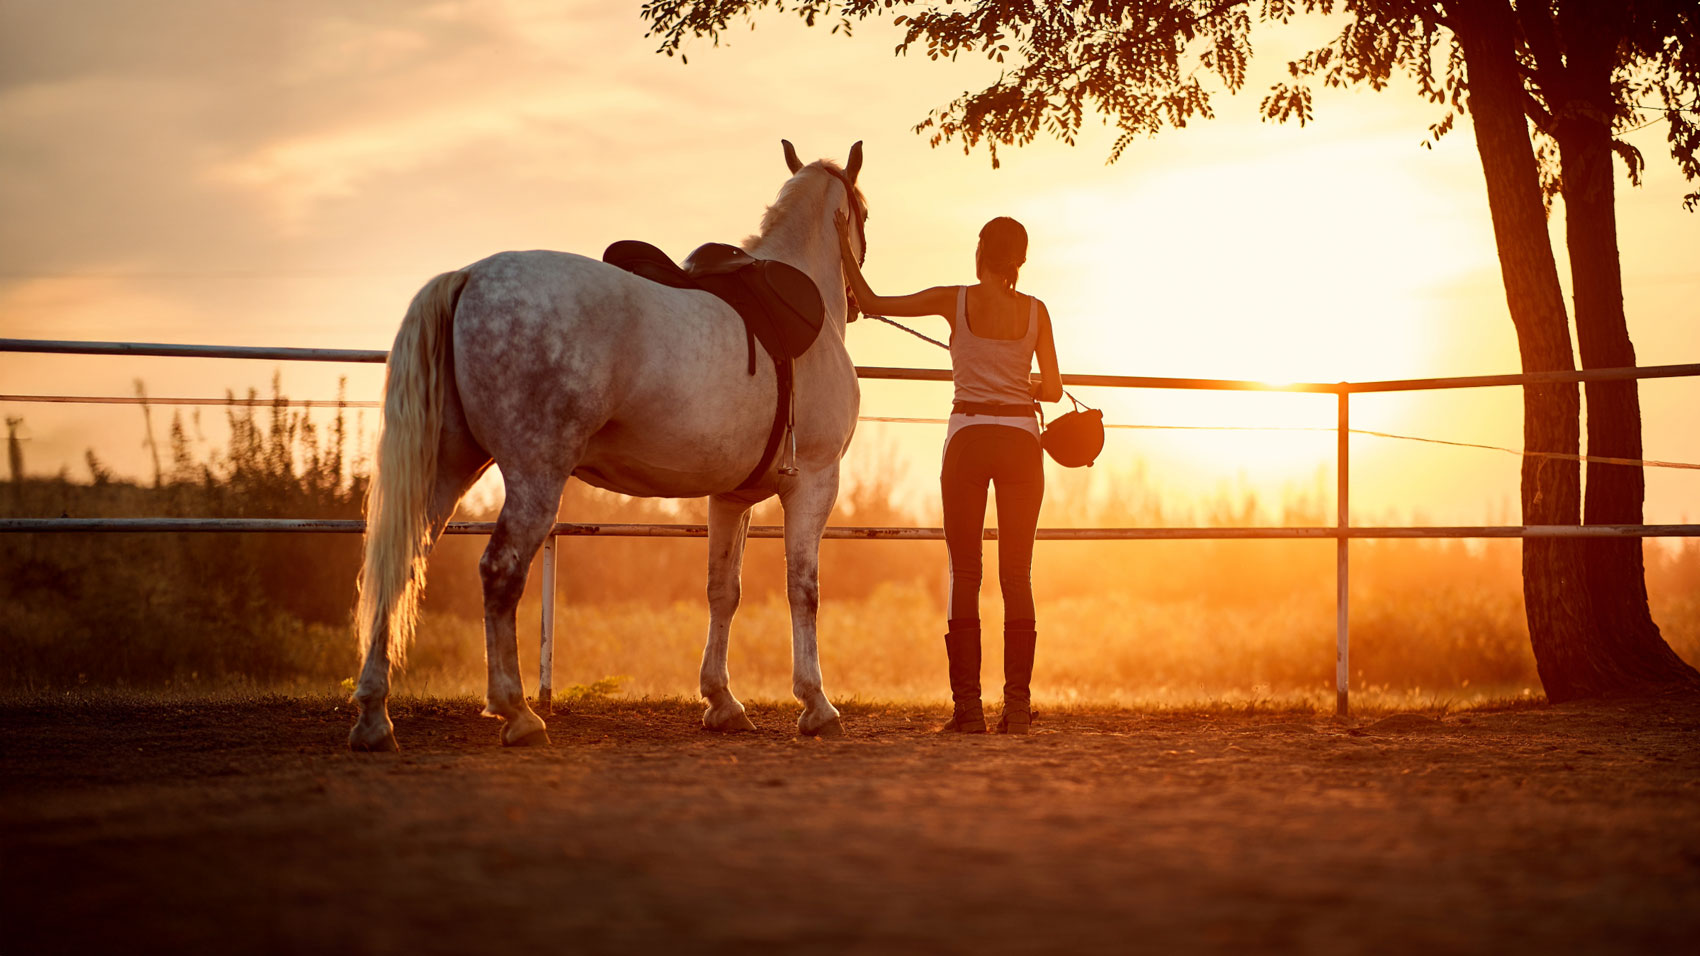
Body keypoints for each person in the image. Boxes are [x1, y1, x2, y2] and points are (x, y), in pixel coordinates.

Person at [834, 213, 1062, 734]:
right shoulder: (1036, 312)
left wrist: (841, 245)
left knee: (965, 572)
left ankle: (968, 711)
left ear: (981, 252)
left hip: (968, 440)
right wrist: (1016, 383)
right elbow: (1051, 389)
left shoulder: (953, 299)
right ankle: (1019, 709)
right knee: (1018, 575)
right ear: (1020, 259)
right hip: (1022, 443)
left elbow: (870, 304)